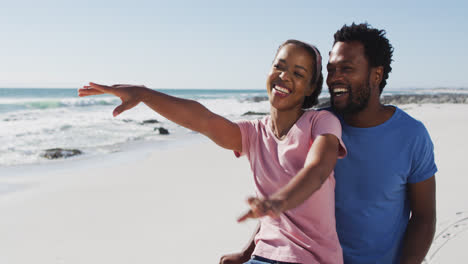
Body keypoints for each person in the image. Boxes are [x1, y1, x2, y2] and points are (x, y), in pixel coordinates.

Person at [79, 39, 347, 264]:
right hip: (264, 257)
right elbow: (202, 119)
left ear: (311, 88)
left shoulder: (320, 122)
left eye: (298, 74)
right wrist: (144, 94)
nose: (285, 75)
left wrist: (279, 201)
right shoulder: (253, 134)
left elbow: (318, 169)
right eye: (279, 66)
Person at [221, 23, 437, 264]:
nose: (335, 79)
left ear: (376, 74)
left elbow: (424, 217)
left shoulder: (412, 135)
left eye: (347, 69)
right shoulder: (315, 126)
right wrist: (248, 252)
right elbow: (284, 207)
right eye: (332, 70)